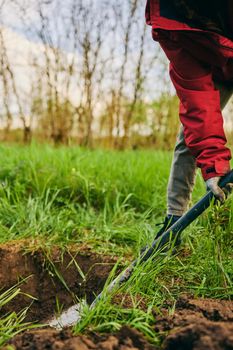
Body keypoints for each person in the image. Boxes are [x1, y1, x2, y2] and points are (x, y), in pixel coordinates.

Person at [145, 0, 233, 238]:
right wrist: (214, 163)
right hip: (213, 68)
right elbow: (198, 102)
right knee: (188, 138)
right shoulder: (170, 19)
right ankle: (173, 222)